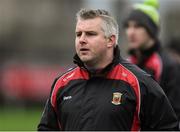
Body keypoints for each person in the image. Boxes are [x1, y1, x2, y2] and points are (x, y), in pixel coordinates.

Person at [37, 8, 178, 131]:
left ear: (110, 40)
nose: (82, 40)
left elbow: (167, 127)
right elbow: (47, 128)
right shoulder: (62, 83)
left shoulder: (140, 82)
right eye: (78, 34)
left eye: (90, 34)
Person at [123, 0, 180, 124]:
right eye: (128, 26)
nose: (130, 32)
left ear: (151, 30)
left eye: (138, 26)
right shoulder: (125, 63)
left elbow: (174, 115)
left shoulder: (169, 65)